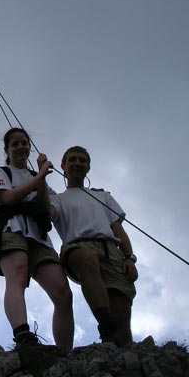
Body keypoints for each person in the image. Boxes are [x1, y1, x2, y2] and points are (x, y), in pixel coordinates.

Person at [0, 128, 73, 352]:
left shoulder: (39, 178)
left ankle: (65, 352)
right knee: (16, 277)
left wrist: (41, 179)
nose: (20, 147)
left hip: (39, 236)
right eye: (14, 144)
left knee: (63, 292)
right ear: (6, 150)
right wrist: (39, 177)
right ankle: (23, 335)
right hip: (11, 229)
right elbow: (6, 197)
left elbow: (48, 210)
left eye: (24, 143)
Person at [49, 146, 138, 346]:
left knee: (122, 327)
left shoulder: (103, 196)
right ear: (62, 166)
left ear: (88, 166)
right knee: (87, 258)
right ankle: (105, 326)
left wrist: (129, 258)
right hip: (77, 247)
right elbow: (48, 213)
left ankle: (119, 345)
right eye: (72, 160)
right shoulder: (57, 199)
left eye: (82, 160)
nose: (77, 163)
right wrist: (39, 177)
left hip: (111, 251)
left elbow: (118, 230)